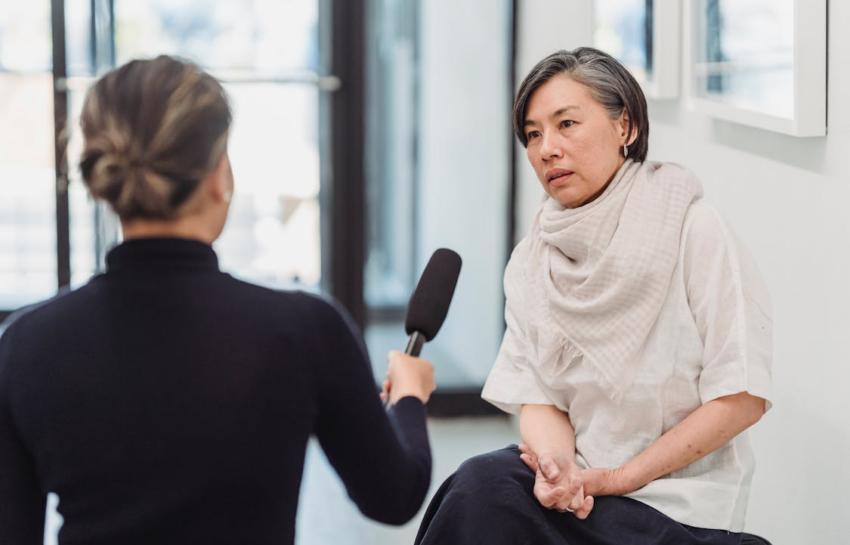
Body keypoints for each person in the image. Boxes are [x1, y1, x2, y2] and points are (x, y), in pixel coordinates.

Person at [0, 55, 435, 545]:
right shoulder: (304, 329)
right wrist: (409, 399)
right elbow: (394, 495)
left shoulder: (24, 345)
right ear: (217, 175)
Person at [416, 47, 772, 545]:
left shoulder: (694, 229)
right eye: (534, 134)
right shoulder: (532, 257)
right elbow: (538, 396)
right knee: (477, 488)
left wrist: (619, 478)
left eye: (567, 124)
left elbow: (742, 398)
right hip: (580, 489)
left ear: (624, 127)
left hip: (678, 503)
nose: (547, 149)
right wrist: (558, 469)